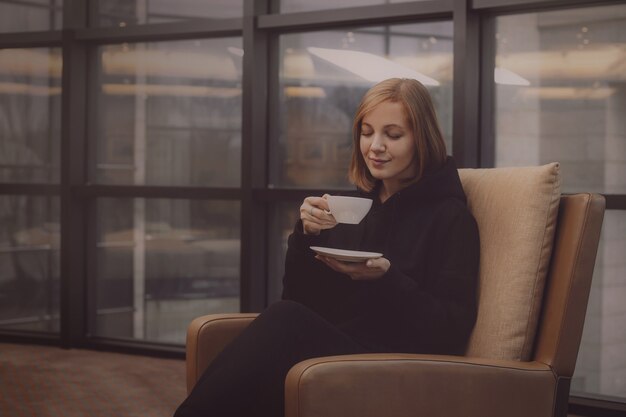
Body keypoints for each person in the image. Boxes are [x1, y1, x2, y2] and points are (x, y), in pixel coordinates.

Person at [174, 78, 480, 417]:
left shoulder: (451, 218)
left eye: (392, 135)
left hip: (399, 360)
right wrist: (308, 235)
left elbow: (449, 330)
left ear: (421, 139)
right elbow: (301, 300)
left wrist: (388, 278)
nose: (375, 146)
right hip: (345, 348)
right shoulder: (358, 207)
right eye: (367, 132)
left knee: (283, 322)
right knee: (283, 325)